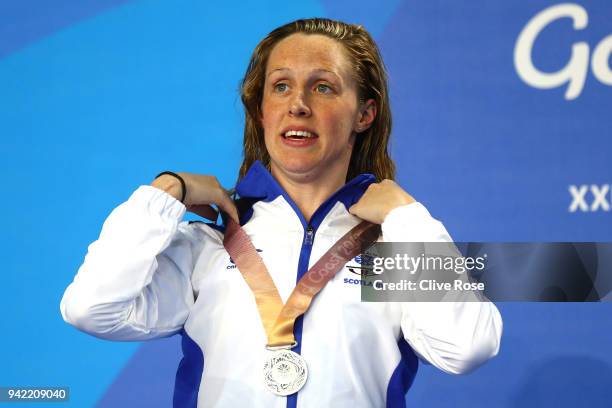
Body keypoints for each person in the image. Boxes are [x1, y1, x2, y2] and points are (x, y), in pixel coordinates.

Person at [60, 18, 502, 408]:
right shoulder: (208, 245)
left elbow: (468, 348)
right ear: (261, 111)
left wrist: (406, 217)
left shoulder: (392, 251)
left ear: (364, 114)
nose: (299, 104)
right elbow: (90, 309)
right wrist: (163, 193)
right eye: (281, 86)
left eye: (323, 86)